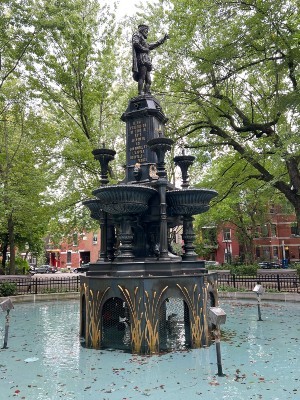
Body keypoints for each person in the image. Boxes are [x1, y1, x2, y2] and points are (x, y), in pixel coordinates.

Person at [132, 24, 169, 95]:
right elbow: (135, 43)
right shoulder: (137, 35)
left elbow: (154, 44)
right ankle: (140, 92)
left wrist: (163, 39)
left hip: (146, 61)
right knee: (142, 77)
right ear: (142, 30)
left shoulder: (145, 42)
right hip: (142, 59)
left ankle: (147, 92)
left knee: (148, 80)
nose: (147, 32)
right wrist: (144, 49)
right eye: (146, 30)